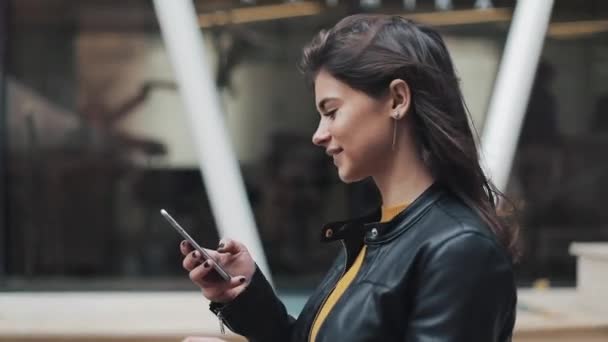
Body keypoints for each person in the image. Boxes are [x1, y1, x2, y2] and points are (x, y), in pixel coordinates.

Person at [180, 14, 518, 342]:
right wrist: (244, 292)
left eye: (331, 112)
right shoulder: (379, 236)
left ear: (397, 100)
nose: (318, 134)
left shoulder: (461, 250)